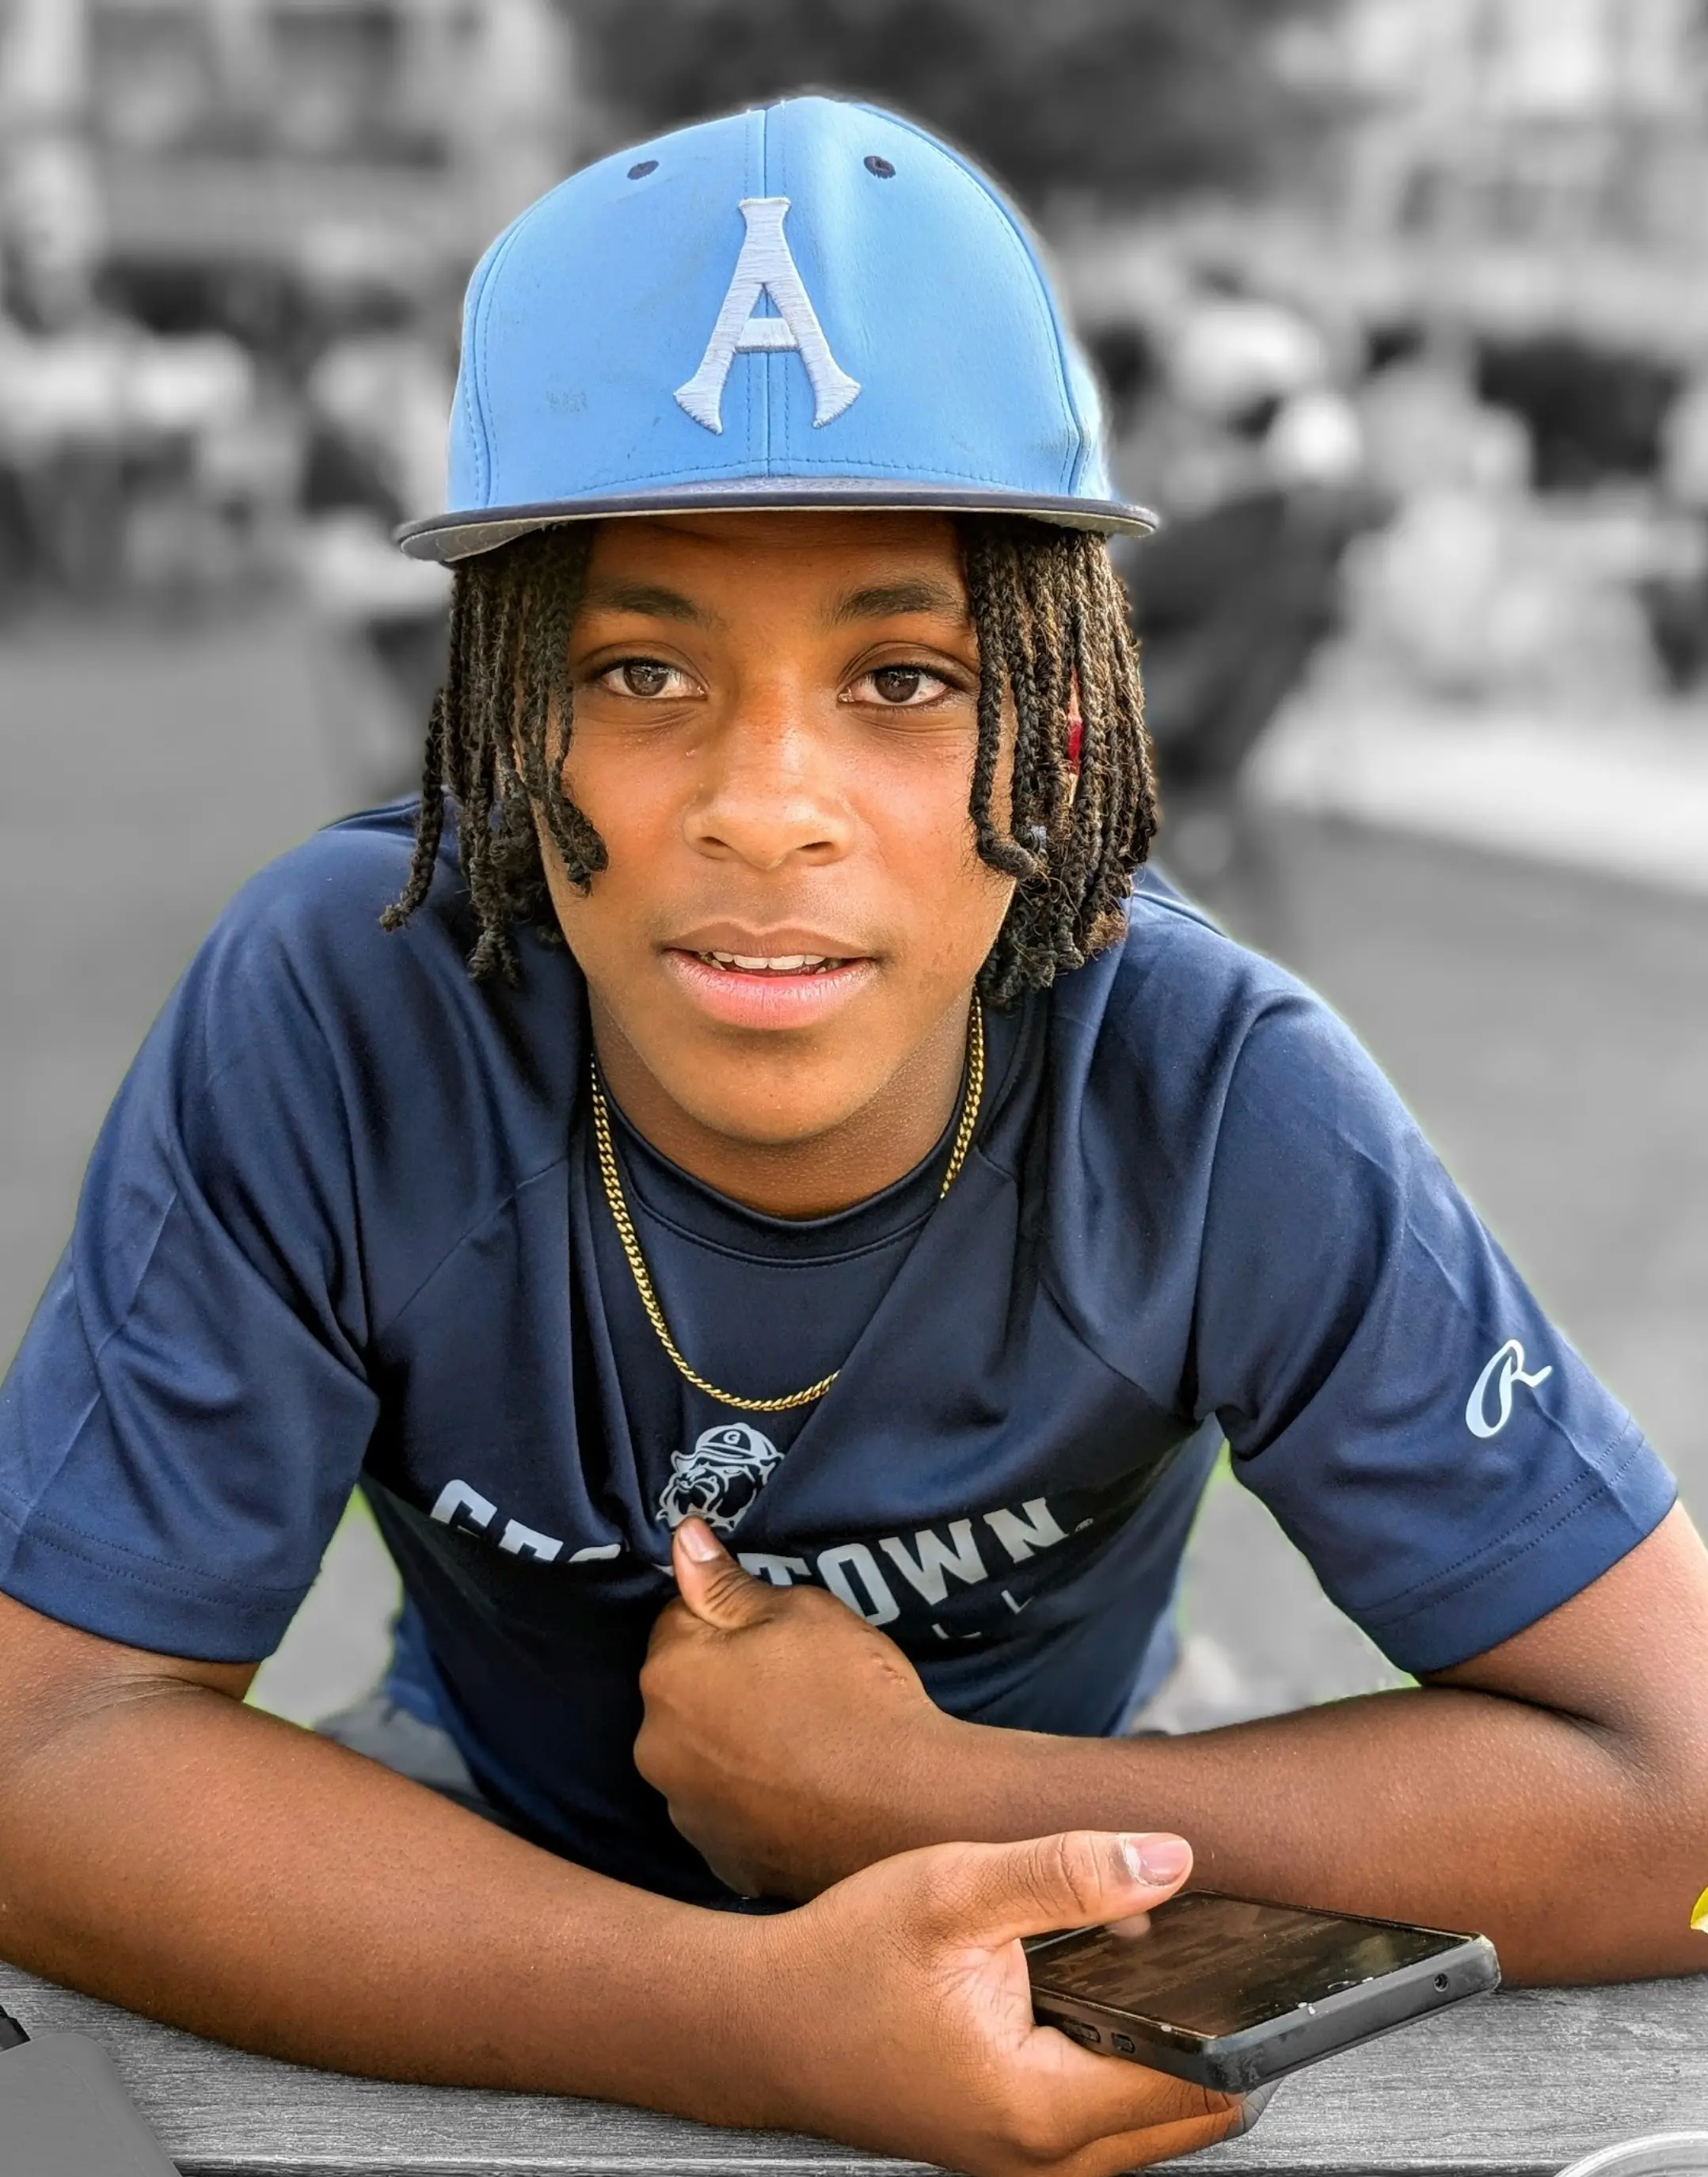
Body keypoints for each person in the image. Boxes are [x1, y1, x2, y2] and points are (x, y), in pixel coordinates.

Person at [1, 97, 1705, 2177]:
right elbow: (44, 1751)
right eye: (642, 669)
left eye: (901, 678)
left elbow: (1692, 1807)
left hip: (1090, 1821)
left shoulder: (1208, 1086)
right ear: (512, 720)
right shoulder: (343, 1012)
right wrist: (742, 2021)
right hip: (480, 1837)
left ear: (1057, 730)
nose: (767, 806)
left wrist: (917, 1797)